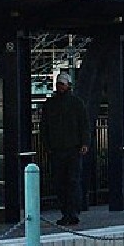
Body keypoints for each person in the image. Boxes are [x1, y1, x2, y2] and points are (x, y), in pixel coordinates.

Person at [41, 71, 90, 225]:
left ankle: (73, 212)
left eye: (62, 84)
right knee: (60, 183)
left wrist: (84, 143)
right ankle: (66, 212)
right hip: (57, 149)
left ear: (68, 85)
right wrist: (47, 145)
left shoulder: (76, 103)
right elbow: (45, 126)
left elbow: (84, 124)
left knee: (73, 181)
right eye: (58, 84)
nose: (60, 86)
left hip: (73, 149)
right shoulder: (50, 104)